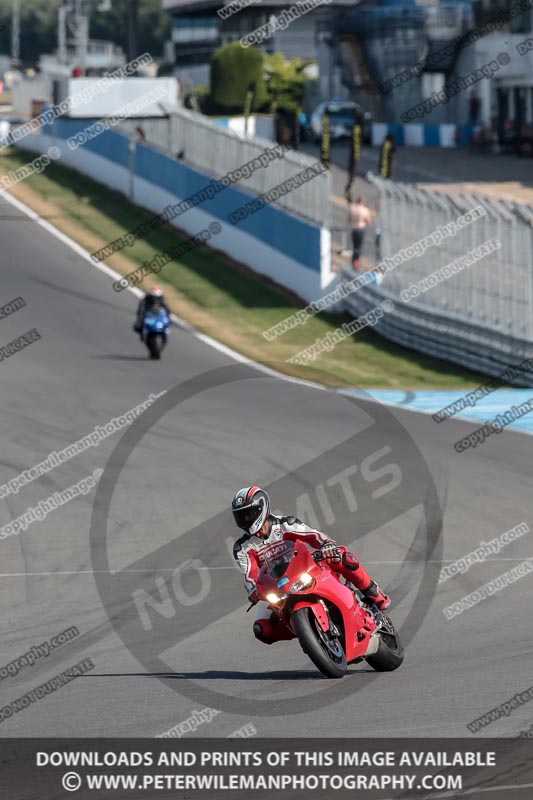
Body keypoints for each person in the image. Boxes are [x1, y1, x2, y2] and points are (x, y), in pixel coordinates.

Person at [231, 486, 391, 645]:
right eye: (241, 516)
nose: (246, 519)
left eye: (249, 513)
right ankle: (308, 633)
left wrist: (326, 544)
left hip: (305, 569)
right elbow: (249, 575)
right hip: (278, 588)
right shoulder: (242, 547)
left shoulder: (286, 524)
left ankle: (373, 592)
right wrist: (254, 591)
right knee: (262, 629)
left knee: (342, 557)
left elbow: (313, 536)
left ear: (262, 507)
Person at [348, 196, 372, 270]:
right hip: (360, 229)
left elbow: (349, 219)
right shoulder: (365, 210)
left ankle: (354, 261)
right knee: (359, 247)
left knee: (355, 246)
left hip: (354, 229)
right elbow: (368, 221)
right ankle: (356, 262)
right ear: (362, 202)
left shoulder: (352, 209)